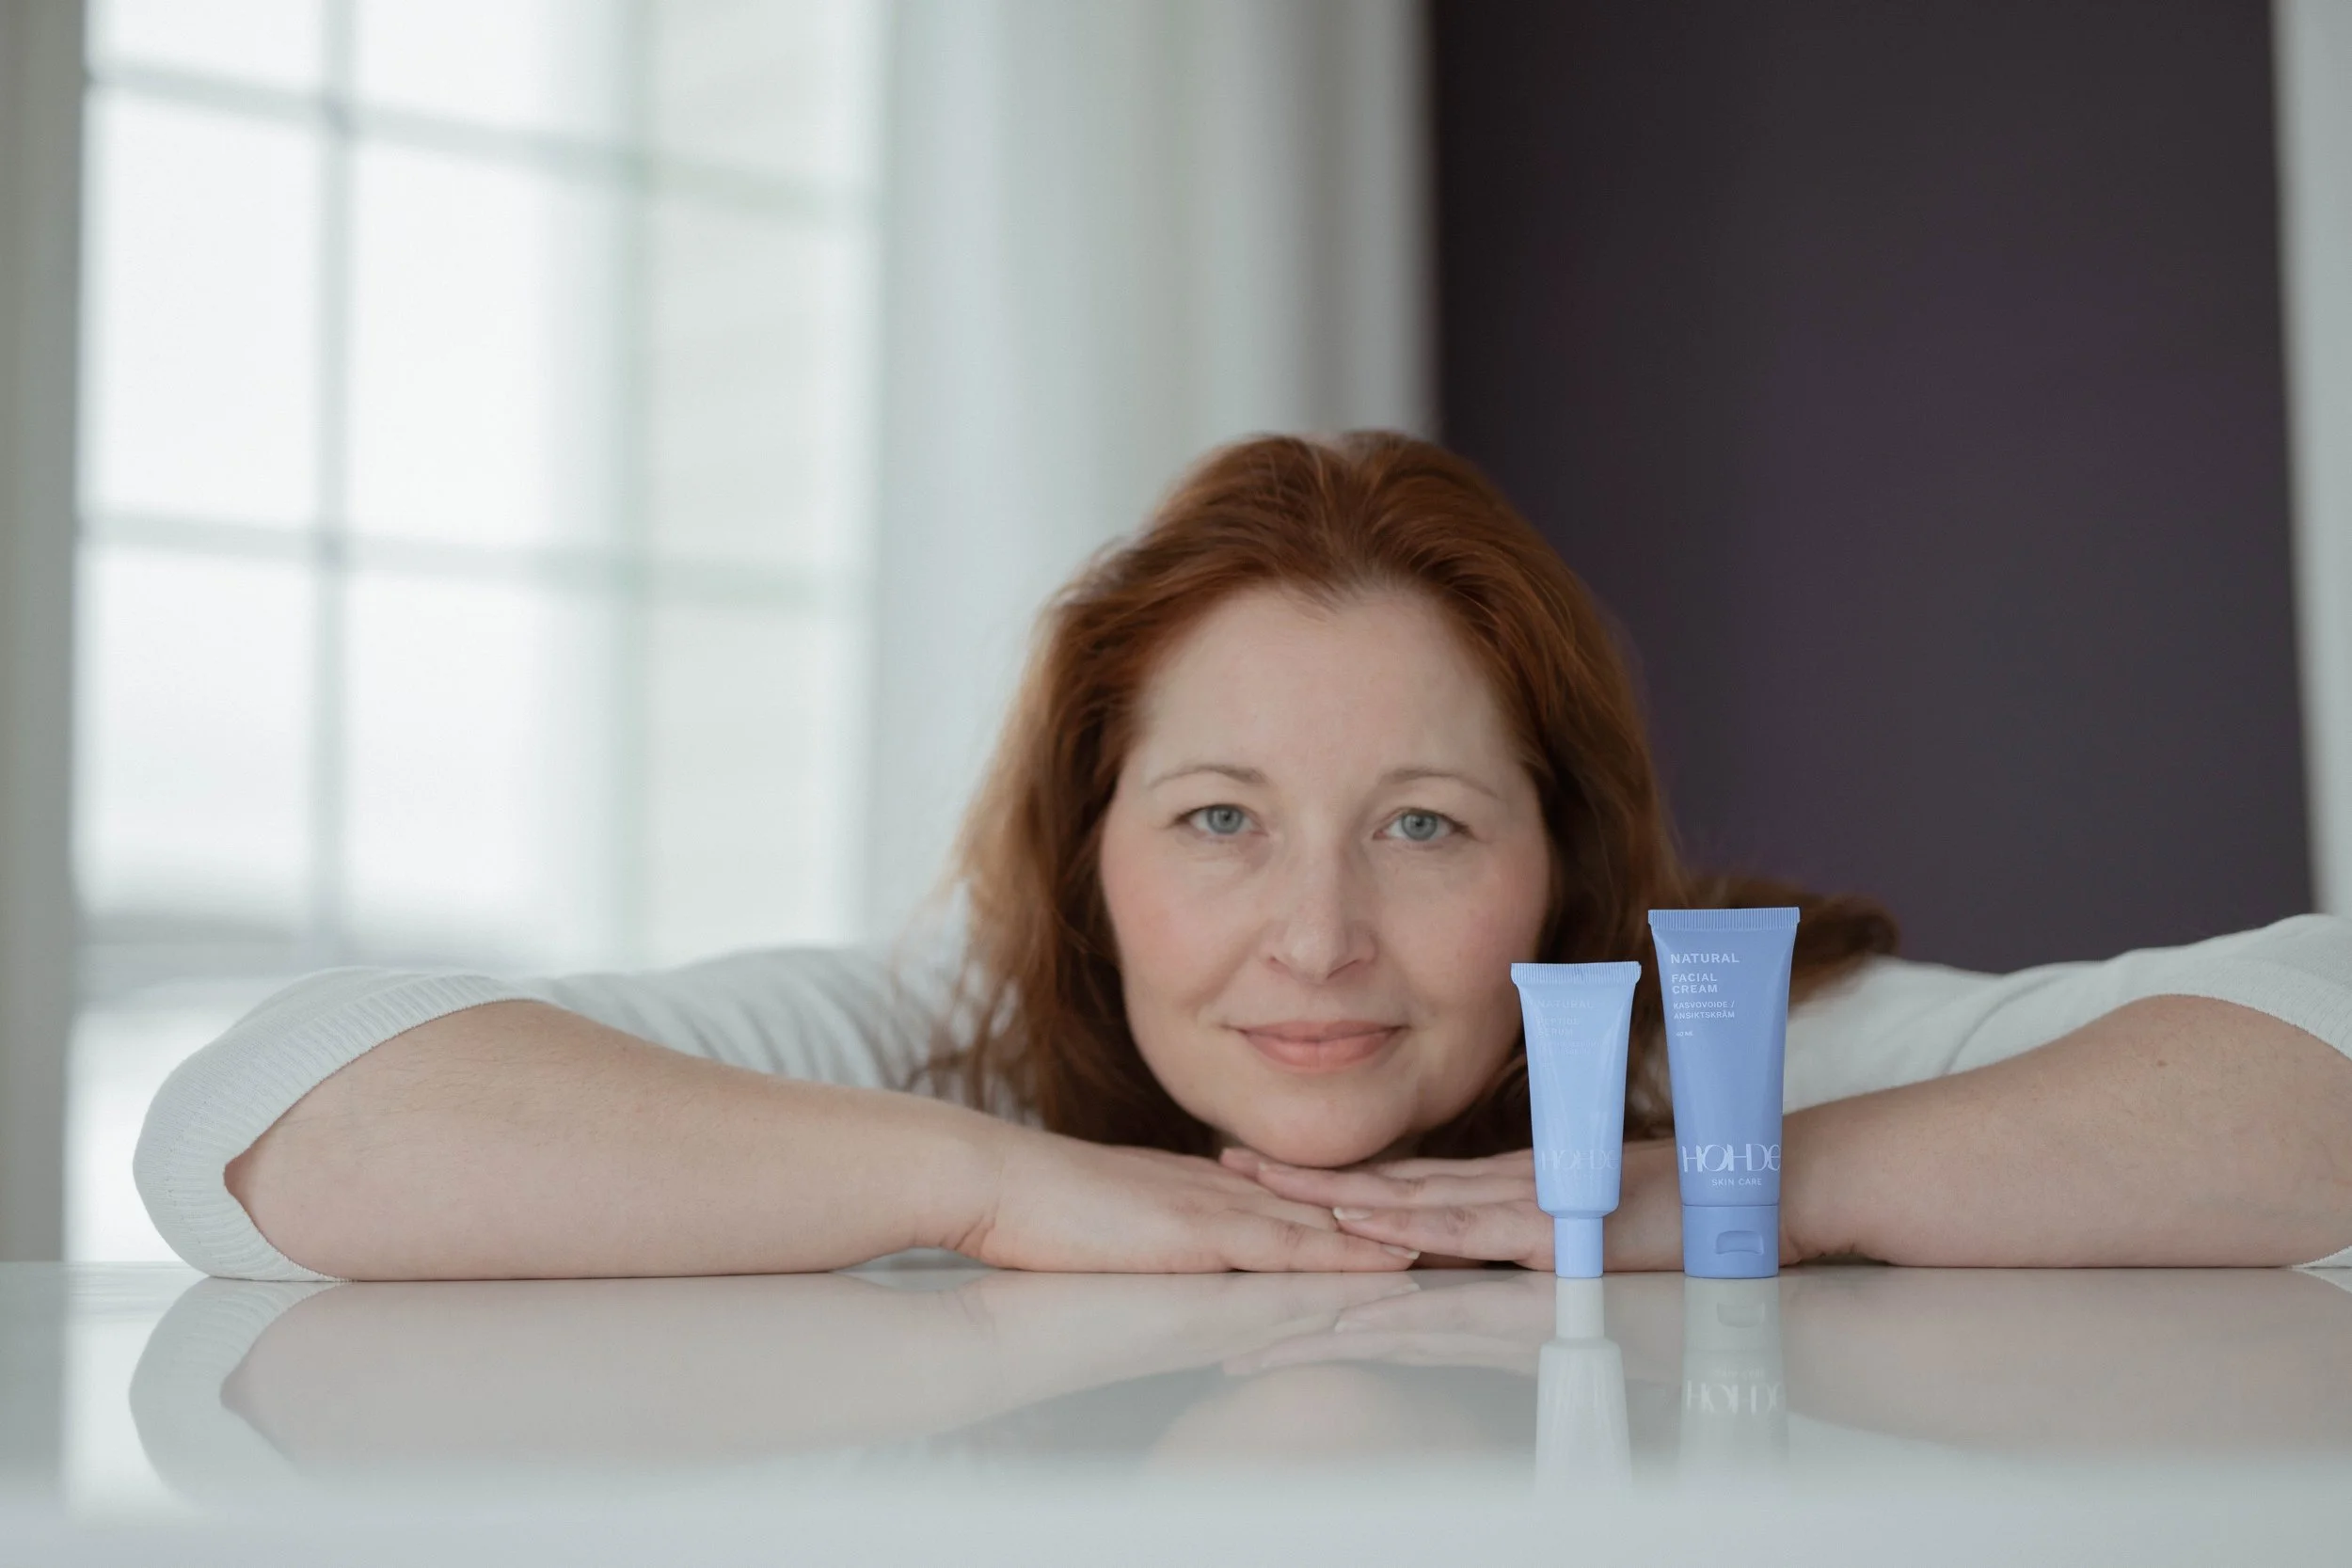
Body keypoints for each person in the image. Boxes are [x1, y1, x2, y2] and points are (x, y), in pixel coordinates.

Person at [136, 433, 2352, 1282]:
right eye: (1214, 819)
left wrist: (1721, 1192)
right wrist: (983, 1180)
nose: (1314, 935)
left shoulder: (1707, 1055)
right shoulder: (949, 1041)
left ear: (1563, 861)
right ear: (1083, 846)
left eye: (1421, 823)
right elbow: (273, 1126)